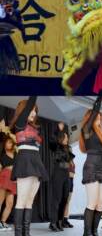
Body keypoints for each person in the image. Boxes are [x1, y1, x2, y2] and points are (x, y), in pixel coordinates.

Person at [9, 96, 48, 236]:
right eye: (31, 110)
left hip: (36, 163)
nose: (34, 113)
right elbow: (30, 103)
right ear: (24, 111)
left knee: (29, 201)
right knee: (21, 200)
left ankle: (27, 233)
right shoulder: (20, 123)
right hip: (25, 162)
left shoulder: (34, 128)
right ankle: (19, 234)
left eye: (35, 111)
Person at [79, 96, 102, 236]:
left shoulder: (101, 133)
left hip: (101, 168)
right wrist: (100, 97)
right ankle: (87, 233)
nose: (99, 118)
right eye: (97, 116)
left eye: (100, 117)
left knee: (101, 203)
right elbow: (94, 113)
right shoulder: (87, 130)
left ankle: (94, 231)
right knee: (92, 202)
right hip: (91, 166)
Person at [48, 122, 75, 232]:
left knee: (64, 198)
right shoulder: (56, 146)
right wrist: (58, 130)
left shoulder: (67, 148)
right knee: (57, 198)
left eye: (67, 137)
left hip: (66, 174)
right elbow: (52, 141)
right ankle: (53, 222)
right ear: (61, 138)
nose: (67, 139)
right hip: (58, 172)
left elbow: (69, 162)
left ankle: (59, 221)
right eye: (65, 137)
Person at [0, 124, 17, 232]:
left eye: (11, 142)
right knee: (0, 200)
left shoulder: (16, 154)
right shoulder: (2, 155)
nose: (9, 144)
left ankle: (3, 222)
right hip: (4, 176)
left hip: (13, 179)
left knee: (10, 203)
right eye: (7, 142)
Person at [62, 158, 75, 228]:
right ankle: (61, 220)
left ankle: (65, 219)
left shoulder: (72, 160)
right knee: (64, 201)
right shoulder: (64, 159)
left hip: (71, 180)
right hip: (66, 179)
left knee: (68, 201)